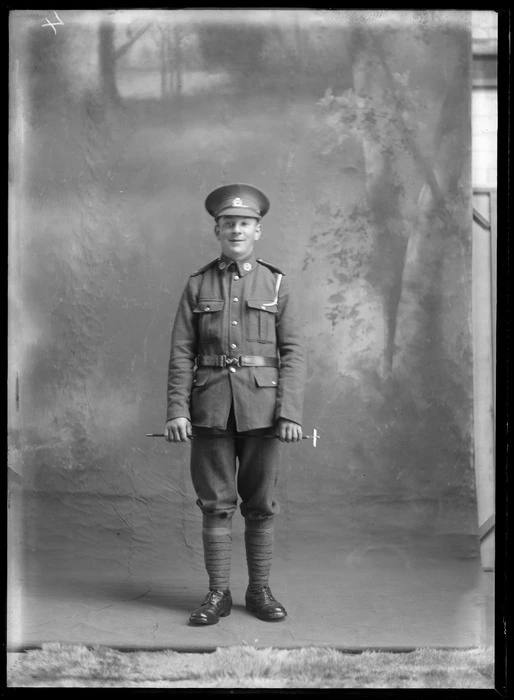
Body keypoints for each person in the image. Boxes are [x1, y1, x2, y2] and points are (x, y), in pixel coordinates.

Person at [165, 183, 306, 626]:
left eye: (244, 223)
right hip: (208, 406)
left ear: (257, 230)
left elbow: (295, 353)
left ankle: (259, 590)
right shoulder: (197, 284)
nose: (236, 230)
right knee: (215, 503)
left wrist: (289, 413)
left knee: (260, 504)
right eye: (229, 224)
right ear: (217, 230)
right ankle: (217, 594)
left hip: (264, 411)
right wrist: (177, 410)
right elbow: (181, 353)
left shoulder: (276, 283)